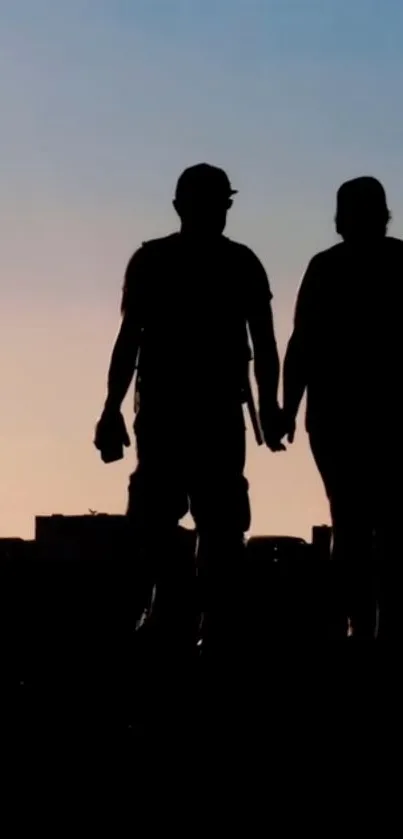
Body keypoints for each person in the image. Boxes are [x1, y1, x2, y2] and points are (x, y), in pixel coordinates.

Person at [94, 163, 284, 651]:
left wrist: (268, 404)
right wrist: (111, 408)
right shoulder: (216, 262)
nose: (218, 212)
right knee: (167, 521)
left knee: (211, 524)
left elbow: (263, 344)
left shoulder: (212, 262)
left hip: (198, 412)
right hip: (176, 412)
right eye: (214, 203)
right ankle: (180, 609)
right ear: (185, 206)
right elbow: (130, 339)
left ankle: (198, 617)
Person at [283, 176, 403, 639]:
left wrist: (287, 409)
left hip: (338, 420)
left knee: (350, 524)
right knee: (381, 524)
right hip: (380, 420)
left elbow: (302, 345)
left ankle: (355, 627)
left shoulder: (326, 268)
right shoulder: (399, 263)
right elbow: (302, 344)